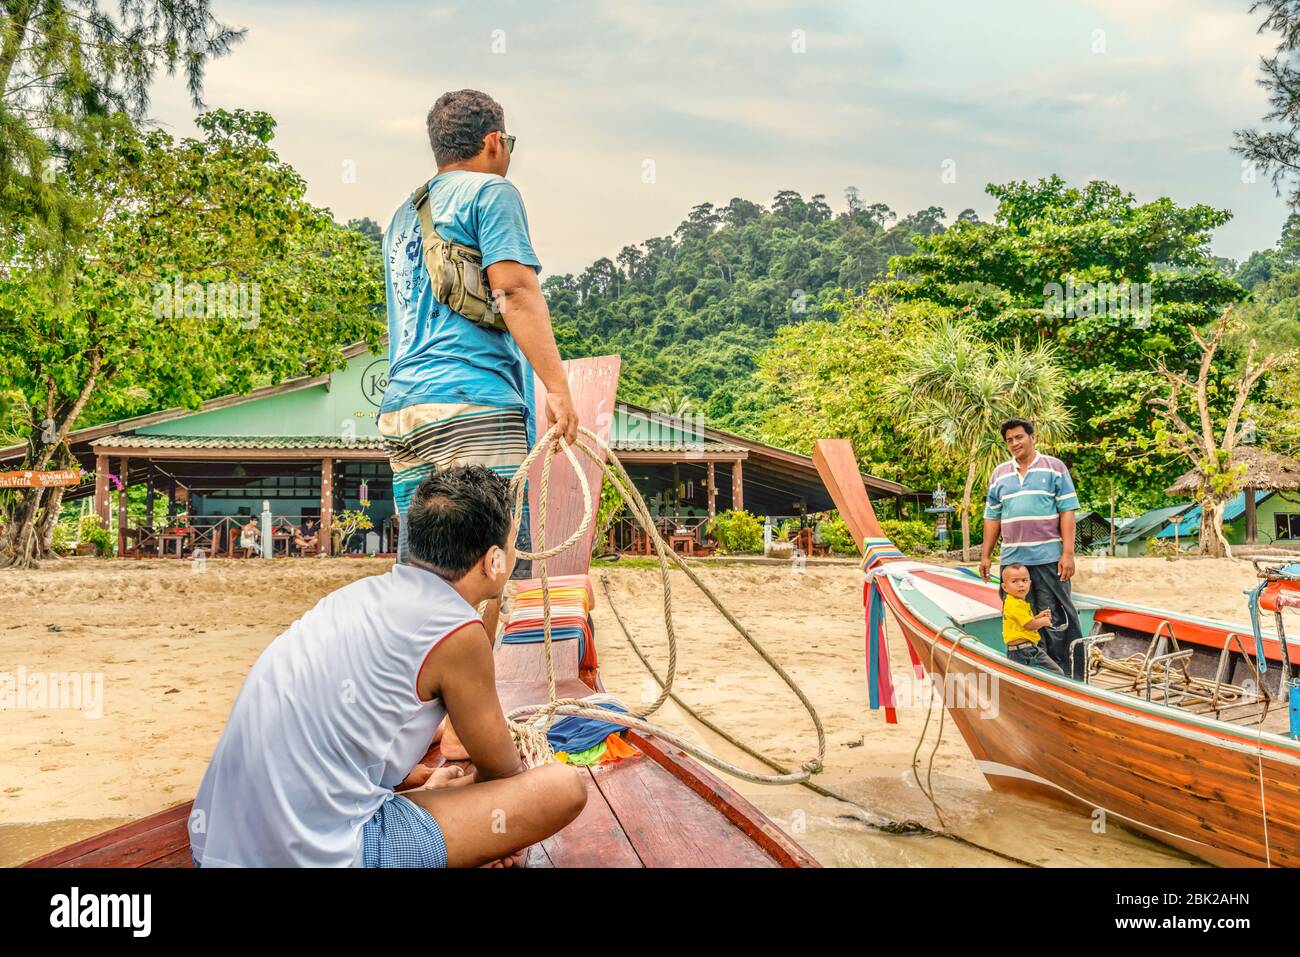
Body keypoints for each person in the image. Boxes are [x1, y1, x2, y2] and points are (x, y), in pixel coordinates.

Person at [189, 465, 587, 868]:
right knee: (562, 788)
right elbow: (504, 774)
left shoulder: (357, 596)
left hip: (218, 844)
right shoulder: (457, 632)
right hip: (317, 855)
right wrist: (486, 822)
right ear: (494, 561)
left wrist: (446, 793)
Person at [378, 88, 578, 647]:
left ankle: (418, 714)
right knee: (484, 572)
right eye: (508, 142)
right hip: (471, 402)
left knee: (425, 573)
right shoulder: (493, 193)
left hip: (404, 412)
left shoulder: (401, 217)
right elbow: (514, 290)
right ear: (494, 141)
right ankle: (467, 723)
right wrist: (558, 390)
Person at [979, 418, 1083, 675]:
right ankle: (1025, 672)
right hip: (1013, 562)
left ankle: (1062, 674)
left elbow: (1067, 512)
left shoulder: (1054, 468)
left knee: (1053, 618)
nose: (1015, 443)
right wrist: (985, 555)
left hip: (1048, 559)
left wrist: (1068, 553)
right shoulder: (999, 474)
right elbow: (992, 517)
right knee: (1016, 618)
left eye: (1019, 437)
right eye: (1009, 440)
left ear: (1032, 437)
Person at [1000, 563, 1064, 674]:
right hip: (1023, 651)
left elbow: (1023, 622)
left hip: (1023, 649)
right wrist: (1043, 621)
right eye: (1014, 581)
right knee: (1057, 673)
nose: (1021, 585)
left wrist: (1038, 617)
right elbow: (1030, 625)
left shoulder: (1018, 602)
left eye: (1024, 581)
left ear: (1030, 583)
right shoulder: (1015, 604)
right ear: (1004, 587)